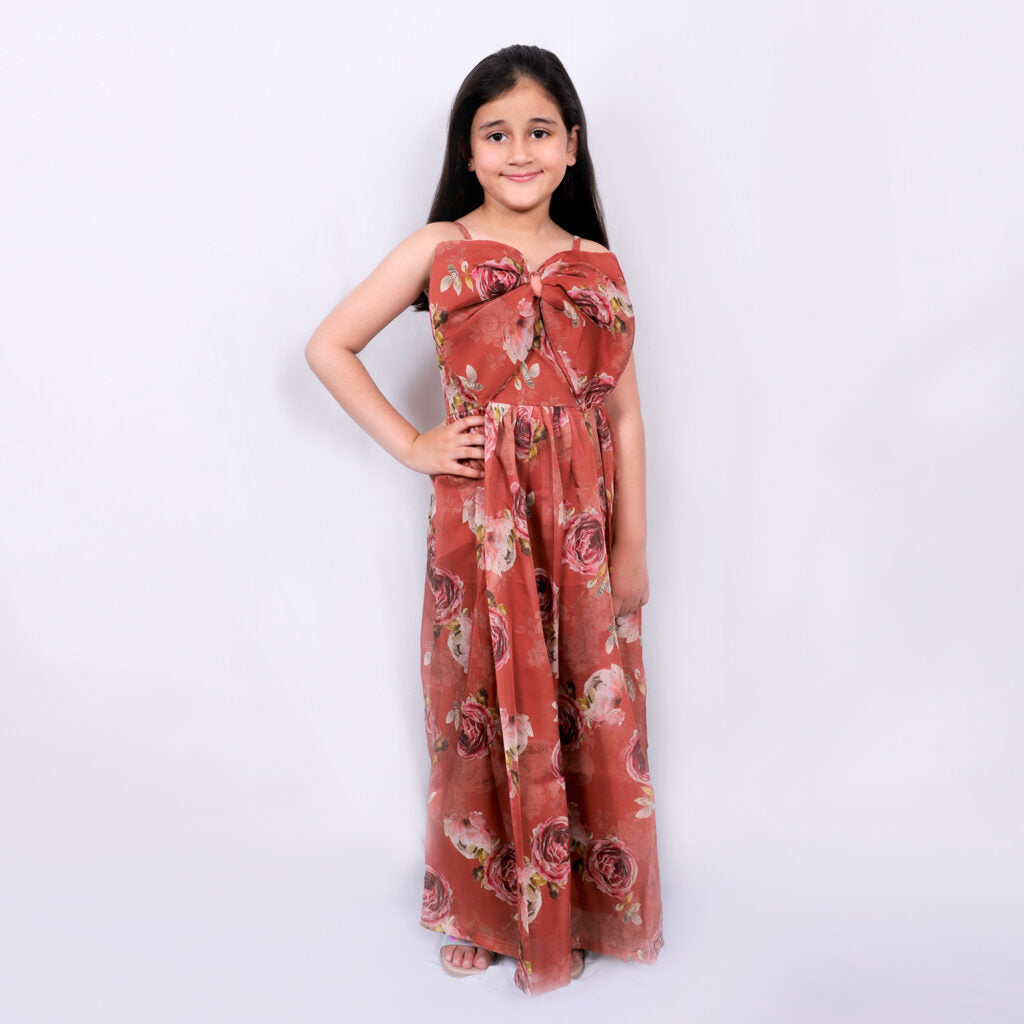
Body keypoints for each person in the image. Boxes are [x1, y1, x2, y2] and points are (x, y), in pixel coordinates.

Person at [304, 43, 664, 996]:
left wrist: (632, 545)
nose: (519, 151)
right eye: (496, 134)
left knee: (583, 702)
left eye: (539, 131)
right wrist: (414, 445)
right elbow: (329, 345)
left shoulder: (598, 262)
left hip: (580, 531)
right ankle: (484, 908)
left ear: (572, 145)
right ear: (468, 153)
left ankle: (574, 908)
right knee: (478, 704)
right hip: (484, 521)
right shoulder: (440, 248)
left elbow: (626, 416)